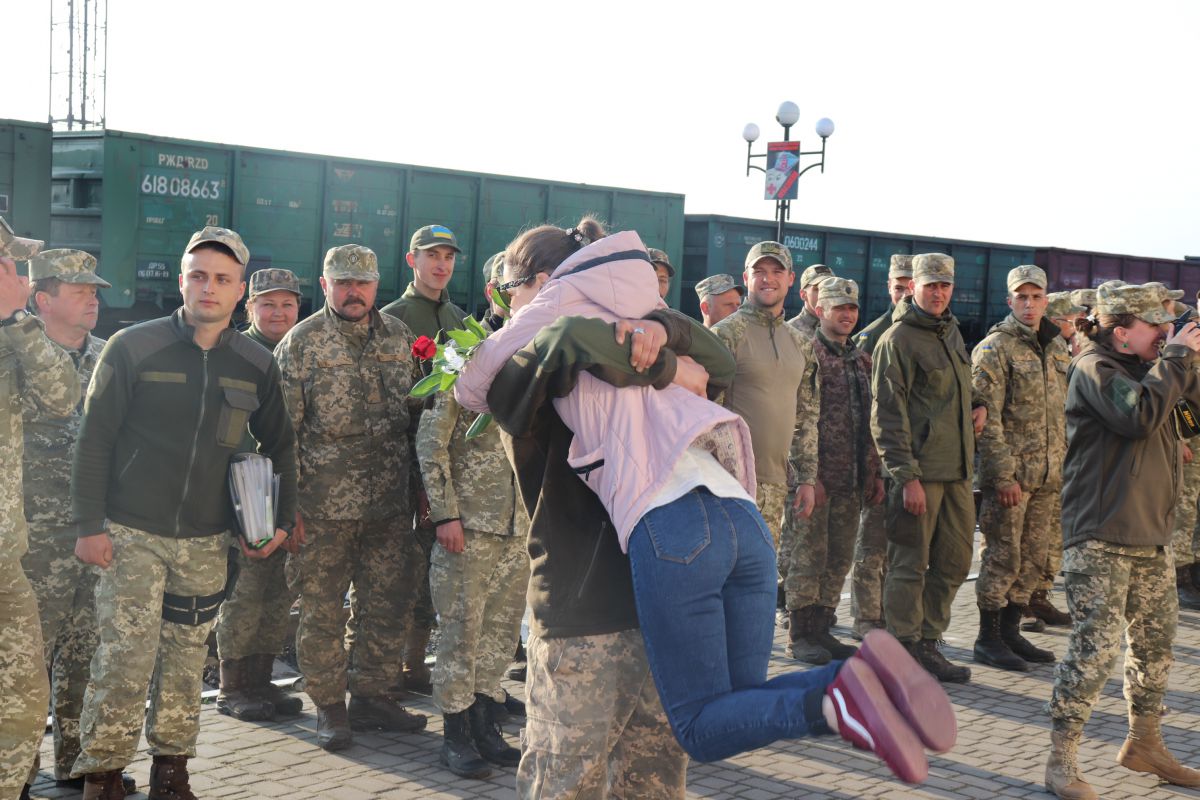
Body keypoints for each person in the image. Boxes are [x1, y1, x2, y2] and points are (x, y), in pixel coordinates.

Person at [456, 219, 957, 792]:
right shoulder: (566, 353)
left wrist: (657, 330)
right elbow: (654, 353)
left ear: (544, 282)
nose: (505, 306)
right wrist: (664, 353)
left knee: (574, 784)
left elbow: (697, 357)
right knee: (679, 757)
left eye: (508, 290)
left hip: (595, 613)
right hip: (689, 573)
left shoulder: (531, 357)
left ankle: (844, 695)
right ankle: (846, 692)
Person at [70, 226, 298, 799]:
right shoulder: (133, 347)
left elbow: (282, 446)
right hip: (130, 533)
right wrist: (89, 526)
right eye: (198, 276)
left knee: (185, 660)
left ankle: (171, 773)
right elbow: (94, 440)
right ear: (181, 282)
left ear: (240, 291)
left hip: (206, 540)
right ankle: (102, 775)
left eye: (222, 279)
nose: (209, 288)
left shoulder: (255, 363)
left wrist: (279, 521)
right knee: (123, 658)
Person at [1045, 283, 1200, 799]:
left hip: (1151, 535)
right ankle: (1061, 761)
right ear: (1121, 333)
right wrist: (1174, 360)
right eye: (1153, 325)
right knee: (1094, 652)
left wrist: (1189, 366)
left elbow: (1192, 422)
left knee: (1156, 649)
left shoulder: (1152, 370)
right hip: (1102, 537)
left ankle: (1145, 743)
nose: (1165, 331)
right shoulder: (1096, 369)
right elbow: (1138, 417)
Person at [275, 244, 428, 752]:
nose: (353, 292)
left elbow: (417, 420)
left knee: (387, 603)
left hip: (389, 504)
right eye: (343, 283)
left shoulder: (399, 337)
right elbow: (281, 434)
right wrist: (288, 507)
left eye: (362, 283)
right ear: (325, 286)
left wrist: (423, 490)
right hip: (322, 509)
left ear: (377, 285)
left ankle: (372, 696)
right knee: (321, 609)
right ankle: (329, 706)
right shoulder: (302, 344)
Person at [20, 250, 137, 796]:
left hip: (95, 531)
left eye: (95, 291)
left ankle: (77, 760)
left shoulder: (108, 357)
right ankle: (15, 772)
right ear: (43, 299)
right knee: (25, 659)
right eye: (79, 291)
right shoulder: (14, 357)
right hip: (33, 537)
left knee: (87, 651)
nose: (93, 299)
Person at [417, 268, 528, 778]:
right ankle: (456, 734)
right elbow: (431, 441)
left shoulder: (539, 353)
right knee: (461, 632)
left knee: (500, 632)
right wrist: (445, 513)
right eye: (510, 288)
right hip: (471, 522)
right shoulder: (462, 352)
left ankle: (485, 724)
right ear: (493, 293)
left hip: (520, 524)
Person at [871, 252, 986, 684]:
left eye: (945, 285)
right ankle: (902, 650)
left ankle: (927, 641)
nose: (938, 293)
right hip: (919, 474)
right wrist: (906, 478)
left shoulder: (949, 331)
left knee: (955, 562)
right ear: (913, 287)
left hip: (957, 470)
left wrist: (978, 403)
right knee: (908, 565)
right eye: (930, 285)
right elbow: (887, 416)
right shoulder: (897, 340)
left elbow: (957, 388)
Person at [0, 224, 80, 800]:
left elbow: (61, 397)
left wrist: (16, 318)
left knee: (23, 696)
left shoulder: (14, 333)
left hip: (9, 553)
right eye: (9, 263)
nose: (18, 277)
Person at [214, 268, 306, 722]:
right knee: (245, 594)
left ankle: (261, 680)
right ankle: (232, 687)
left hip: (289, 492)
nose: (278, 312)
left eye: (287, 304)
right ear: (249, 307)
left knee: (278, 592)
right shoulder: (237, 354)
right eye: (267, 304)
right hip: (248, 492)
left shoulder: (301, 351)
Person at [711, 242, 819, 623]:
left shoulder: (801, 344)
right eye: (759, 272)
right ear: (747, 278)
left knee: (756, 583)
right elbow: (705, 411)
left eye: (776, 272)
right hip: (730, 485)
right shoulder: (727, 334)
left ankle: (749, 653)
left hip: (775, 485)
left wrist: (806, 478)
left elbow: (807, 416)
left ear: (790, 280)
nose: (767, 279)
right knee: (721, 580)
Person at [381, 224, 467, 692]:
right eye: (432, 255)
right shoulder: (392, 319)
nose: (442, 264)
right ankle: (381, 673)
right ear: (412, 260)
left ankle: (414, 666)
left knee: (432, 573)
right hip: (398, 462)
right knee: (395, 572)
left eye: (448, 256)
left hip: (443, 464)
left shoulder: (460, 321)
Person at [969, 266, 1066, 672]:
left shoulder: (1056, 346)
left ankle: (1011, 632)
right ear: (1009, 301)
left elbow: (1063, 412)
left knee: (1032, 558)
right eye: (1021, 297)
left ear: (1046, 300)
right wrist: (1002, 476)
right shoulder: (995, 348)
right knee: (1002, 557)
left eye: (1036, 296)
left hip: (1048, 476)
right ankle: (988, 638)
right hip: (1012, 479)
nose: (1029, 304)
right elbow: (986, 421)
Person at [783, 278, 883, 665]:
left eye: (852, 308)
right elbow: (797, 420)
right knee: (808, 557)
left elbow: (871, 423)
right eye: (839, 307)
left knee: (839, 557)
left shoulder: (861, 360)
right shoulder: (807, 354)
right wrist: (809, 476)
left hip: (852, 481)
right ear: (820, 310)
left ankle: (823, 627)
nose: (847, 314)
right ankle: (800, 634)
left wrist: (873, 474)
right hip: (817, 481)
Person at [850, 254, 913, 639]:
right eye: (898, 287)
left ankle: (890, 615)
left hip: (912, 458)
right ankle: (866, 618)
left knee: (901, 545)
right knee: (872, 543)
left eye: (910, 286)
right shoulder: (872, 336)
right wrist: (871, 465)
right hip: (879, 456)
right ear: (889, 288)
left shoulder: (927, 332)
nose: (905, 294)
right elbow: (864, 407)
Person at [787, 264, 834, 338]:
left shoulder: (838, 328)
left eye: (829, 289)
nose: (825, 294)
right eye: (817, 289)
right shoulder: (790, 331)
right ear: (803, 294)